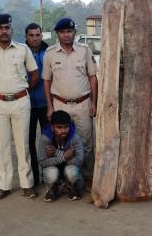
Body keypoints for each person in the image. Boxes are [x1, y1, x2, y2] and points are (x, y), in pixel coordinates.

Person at [0, 13, 38, 200]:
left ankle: (27, 184)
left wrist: (23, 91)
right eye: (0, 28)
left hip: (20, 102)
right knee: (2, 145)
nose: (4, 31)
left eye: (7, 27)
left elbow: (34, 75)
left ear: (12, 30)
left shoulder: (22, 49)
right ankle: (4, 185)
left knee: (23, 144)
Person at [42, 17, 98, 190]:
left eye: (69, 31)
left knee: (87, 143)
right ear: (57, 34)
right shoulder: (50, 53)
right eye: (62, 32)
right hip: (60, 105)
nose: (66, 35)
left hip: (83, 104)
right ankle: (65, 178)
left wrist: (94, 102)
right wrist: (50, 106)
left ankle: (87, 176)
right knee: (60, 142)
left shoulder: (84, 50)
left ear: (75, 32)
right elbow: (46, 81)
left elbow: (92, 77)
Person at [39, 110, 84, 201]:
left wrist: (56, 153)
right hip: (54, 170)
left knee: (72, 172)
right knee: (51, 173)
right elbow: (42, 162)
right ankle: (52, 188)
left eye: (66, 127)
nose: (63, 131)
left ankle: (72, 187)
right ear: (52, 127)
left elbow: (80, 160)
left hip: (68, 169)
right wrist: (63, 156)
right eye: (59, 127)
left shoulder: (75, 137)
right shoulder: (45, 138)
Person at [25, 23, 48, 186]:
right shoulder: (20, 52)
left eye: (37, 35)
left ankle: (49, 176)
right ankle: (34, 177)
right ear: (26, 37)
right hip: (26, 106)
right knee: (29, 142)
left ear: (41, 36)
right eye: (31, 35)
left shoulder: (49, 52)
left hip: (46, 104)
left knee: (48, 140)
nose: (35, 38)